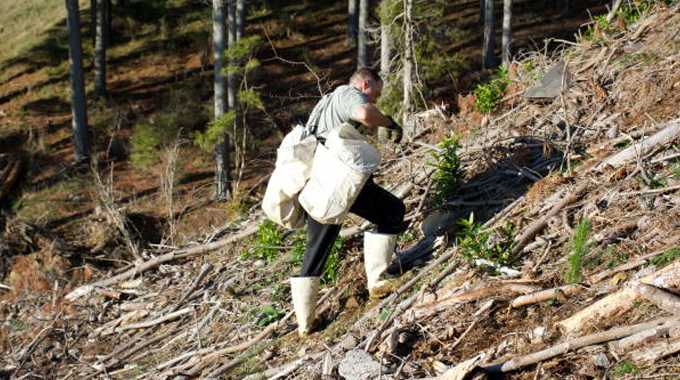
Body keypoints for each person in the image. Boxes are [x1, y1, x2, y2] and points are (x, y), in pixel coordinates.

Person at [290, 68, 406, 337]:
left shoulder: (325, 104)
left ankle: (305, 324)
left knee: (317, 250)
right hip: (337, 177)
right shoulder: (348, 94)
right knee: (392, 211)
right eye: (375, 93)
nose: (375, 100)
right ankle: (378, 282)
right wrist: (390, 123)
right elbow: (364, 114)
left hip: (317, 183)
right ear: (365, 84)